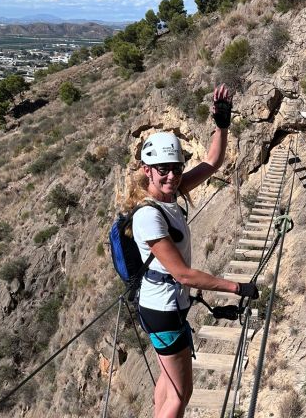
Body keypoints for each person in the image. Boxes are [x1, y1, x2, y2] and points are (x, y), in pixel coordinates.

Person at [124, 84, 259, 418]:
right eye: (163, 170)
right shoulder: (148, 216)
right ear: (147, 171)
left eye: (176, 168)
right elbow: (182, 274)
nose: (171, 175)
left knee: (168, 387)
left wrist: (221, 124)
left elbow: (212, 161)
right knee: (180, 396)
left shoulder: (172, 192)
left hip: (165, 307)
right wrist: (237, 288)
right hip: (163, 310)